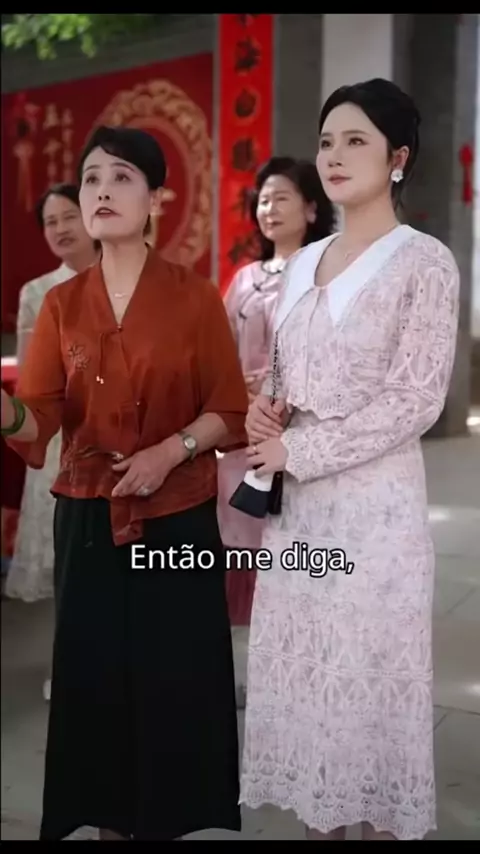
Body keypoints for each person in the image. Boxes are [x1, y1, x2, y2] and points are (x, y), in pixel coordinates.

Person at [1, 125, 248, 841]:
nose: (101, 191)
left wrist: (171, 450)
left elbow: (229, 410)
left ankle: (165, 823)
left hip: (177, 517)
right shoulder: (61, 304)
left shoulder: (194, 298)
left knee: (174, 679)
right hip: (88, 518)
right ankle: (110, 827)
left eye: (121, 177)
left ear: (156, 199)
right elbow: (38, 419)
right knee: (97, 683)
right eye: (91, 179)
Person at [238, 78, 460, 841]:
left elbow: (415, 400)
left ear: (398, 157)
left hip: (374, 519)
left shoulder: (424, 262)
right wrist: (265, 409)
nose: (334, 155)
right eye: (328, 141)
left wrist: (297, 447)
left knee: (365, 705)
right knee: (311, 710)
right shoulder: (305, 262)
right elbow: (281, 376)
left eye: (356, 140)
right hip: (298, 519)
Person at [218, 157, 334, 632]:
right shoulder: (244, 278)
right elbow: (220, 347)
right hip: (244, 425)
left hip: (301, 424)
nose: (269, 209)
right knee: (242, 528)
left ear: (311, 209)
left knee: (295, 535)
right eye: (263, 200)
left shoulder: (326, 273)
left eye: (282, 198)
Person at [5, 184, 98, 703]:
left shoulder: (124, 279)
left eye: (69, 217)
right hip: (60, 439)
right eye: (50, 221)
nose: (60, 229)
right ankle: (70, 665)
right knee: (69, 561)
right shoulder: (37, 292)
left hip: (120, 438)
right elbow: (29, 381)